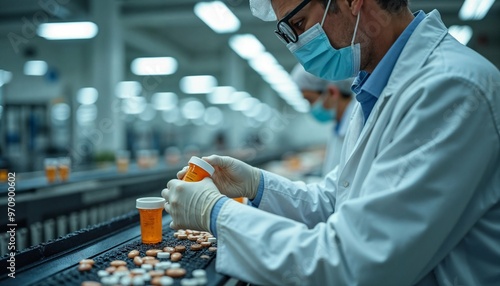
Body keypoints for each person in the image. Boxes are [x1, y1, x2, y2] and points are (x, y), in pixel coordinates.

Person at [162, 0, 500, 285]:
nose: (296, 44)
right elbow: (338, 200)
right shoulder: (375, 88)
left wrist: (216, 212)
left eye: (298, 23)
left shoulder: (449, 89)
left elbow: (358, 263)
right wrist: (258, 184)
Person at [291, 63, 355, 175]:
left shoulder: (359, 126)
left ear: (332, 92)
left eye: (310, 100)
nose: (311, 107)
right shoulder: (339, 127)